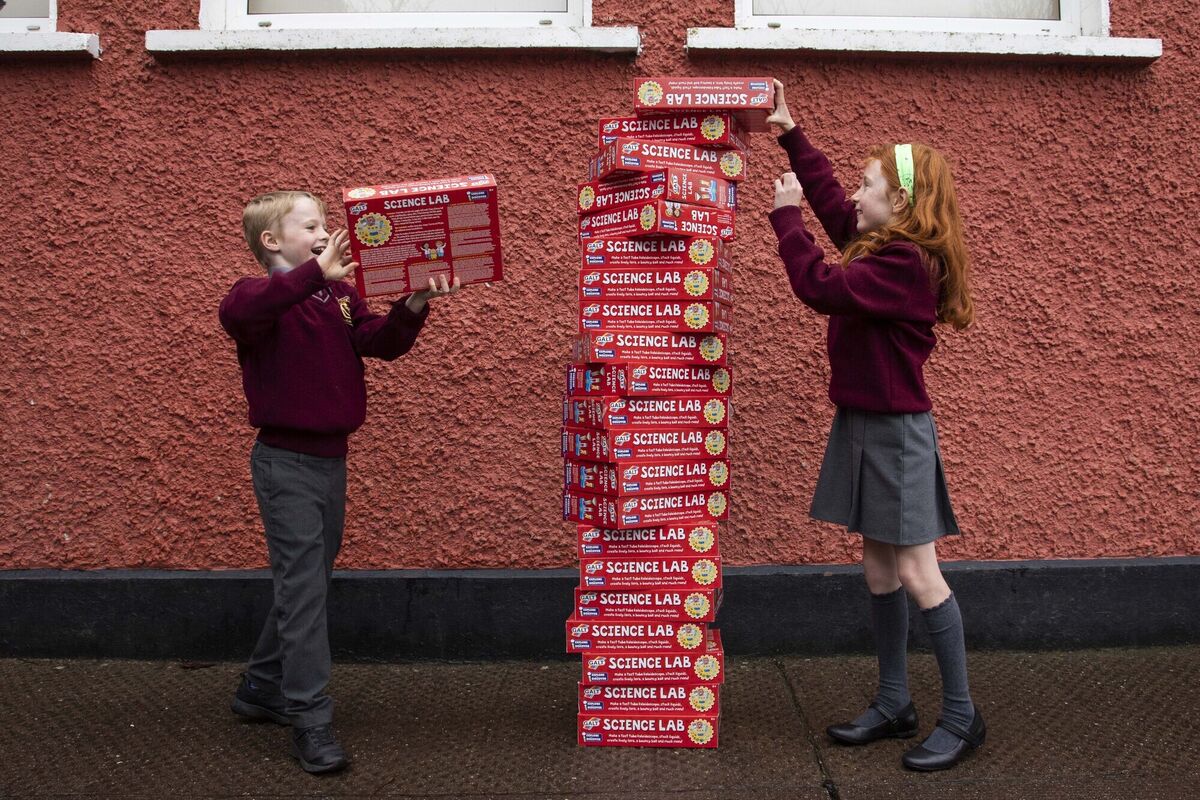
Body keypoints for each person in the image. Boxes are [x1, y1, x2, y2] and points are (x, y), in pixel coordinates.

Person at [765, 80, 982, 771]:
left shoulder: (905, 265)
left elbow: (820, 288)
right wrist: (791, 133)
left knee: (920, 572)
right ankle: (895, 702)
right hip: (864, 423)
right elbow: (837, 213)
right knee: (879, 567)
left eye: (869, 185)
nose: (854, 195)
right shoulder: (881, 246)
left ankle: (961, 716)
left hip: (897, 436)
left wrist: (785, 219)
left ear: (903, 206)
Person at [219, 190, 463, 774]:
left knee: (307, 583)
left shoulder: (340, 297)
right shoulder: (254, 299)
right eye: (311, 226)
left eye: (325, 223)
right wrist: (312, 276)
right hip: (285, 465)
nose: (326, 232)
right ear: (272, 243)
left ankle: (260, 688)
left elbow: (381, 344)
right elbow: (250, 311)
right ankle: (310, 718)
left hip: (330, 462)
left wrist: (414, 300)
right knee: (303, 590)